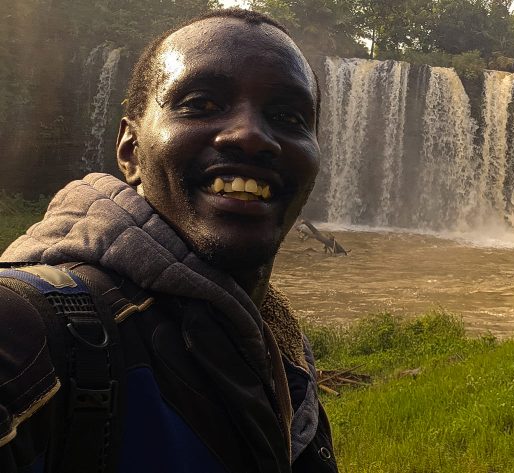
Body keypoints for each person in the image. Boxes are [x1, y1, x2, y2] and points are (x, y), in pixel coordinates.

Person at [0, 8, 337, 472]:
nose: (251, 136)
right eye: (201, 103)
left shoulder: (280, 348)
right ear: (129, 149)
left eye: (287, 116)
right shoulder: (28, 325)